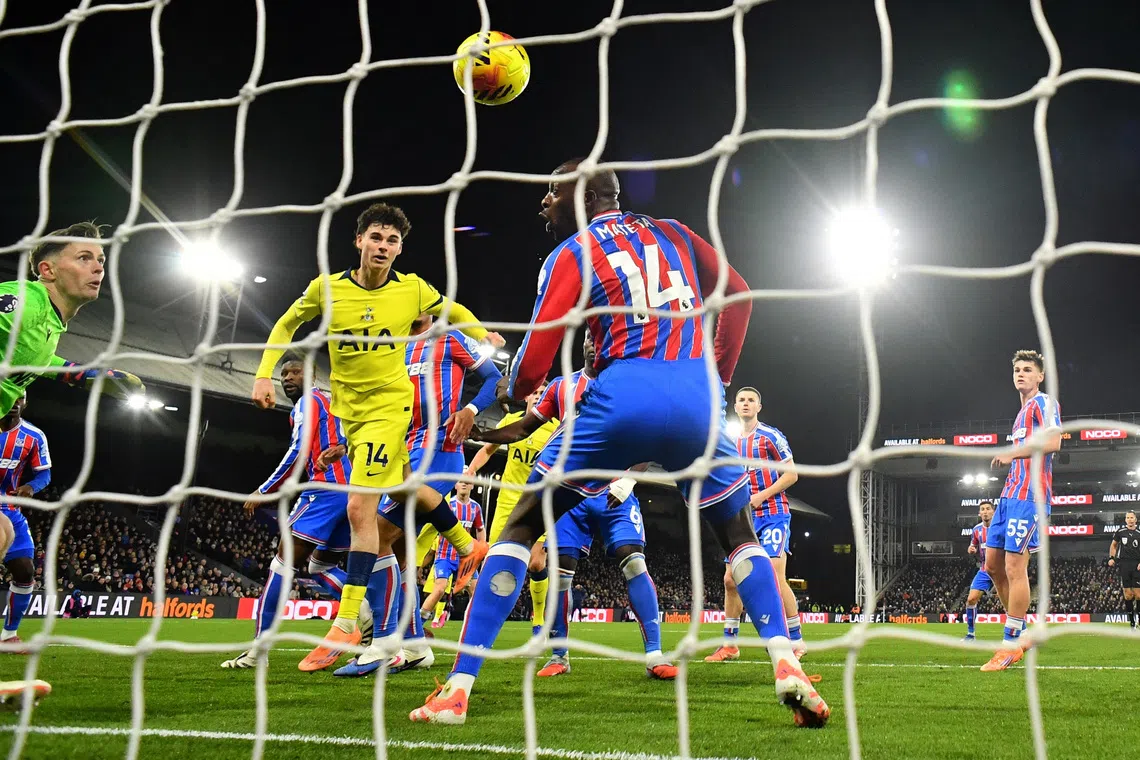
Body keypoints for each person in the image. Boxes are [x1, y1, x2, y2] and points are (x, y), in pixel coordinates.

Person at [410, 158, 827, 728]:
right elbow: (742, 294)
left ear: (582, 198)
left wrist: (507, 395)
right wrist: (720, 378)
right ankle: (786, 664)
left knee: (521, 528)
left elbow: (535, 360)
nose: (544, 203)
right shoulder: (675, 232)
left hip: (620, 396)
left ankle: (457, 691)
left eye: (552, 192)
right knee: (735, 534)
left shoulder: (571, 253)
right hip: (699, 397)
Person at [251, 203, 499, 668]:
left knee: (360, 508)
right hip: (352, 413)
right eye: (376, 238)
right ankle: (465, 546)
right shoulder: (326, 290)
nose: (383, 247)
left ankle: (347, 621)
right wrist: (264, 373)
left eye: (392, 241)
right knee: (404, 490)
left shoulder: (413, 291)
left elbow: (455, 307)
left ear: (400, 248)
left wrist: (482, 333)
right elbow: (287, 323)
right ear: (359, 241)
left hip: (391, 407)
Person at [471, 333, 676, 679]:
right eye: (590, 336)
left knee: (633, 560)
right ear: (582, 344)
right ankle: (558, 655)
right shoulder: (560, 387)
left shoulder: (629, 385)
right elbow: (522, 428)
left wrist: (629, 480)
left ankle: (655, 655)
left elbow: (648, 438)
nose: (596, 343)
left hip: (614, 491)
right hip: (569, 493)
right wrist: (479, 434)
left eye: (603, 336)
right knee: (560, 574)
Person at [332, 313, 502, 677]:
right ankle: (414, 646)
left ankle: (382, 643)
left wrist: (470, 410)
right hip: (402, 456)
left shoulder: (450, 337)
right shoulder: (393, 347)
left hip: (440, 452)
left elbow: (494, 379)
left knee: (376, 535)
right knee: (399, 553)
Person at [222, 356, 364, 669]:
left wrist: (264, 491)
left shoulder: (308, 402)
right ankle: (363, 613)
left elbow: (297, 451)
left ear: (310, 375)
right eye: (283, 373)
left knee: (281, 566)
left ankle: (258, 652)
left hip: (325, 491)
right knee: (318, 566)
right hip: (355, 493)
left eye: (295, 372)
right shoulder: (332, 401)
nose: (287, 378)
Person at [0, 222, 143, 415]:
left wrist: (80, 374)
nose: (98, 269)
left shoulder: (49, 320)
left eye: (100, 260)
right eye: (84, 258)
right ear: (48, 271)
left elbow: (30, 356)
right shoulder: (28, 302)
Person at [706, 387, 802, 662]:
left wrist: (760, 496)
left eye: (751, 400)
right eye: (741, 400)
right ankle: (730, 644)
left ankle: (795, 639)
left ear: (759, 406)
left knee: (773, 575)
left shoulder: (770, 436)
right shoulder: (728, 441)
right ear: (734, 407)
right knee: (730, 580)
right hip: (740, 518)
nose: (746, 404)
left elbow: (791, 474)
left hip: (772, 513)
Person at [982, 350, 1062, 671]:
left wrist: (1013, 452)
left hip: (1031, 496)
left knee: (1016, 567)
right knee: (991, 566)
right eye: (1017, 369)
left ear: (1040, 376)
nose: (1021, 374)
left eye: (1028, 369)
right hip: (1008, 496)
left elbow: (1054, 442)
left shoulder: (1045, 403)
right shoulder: (1020, 414)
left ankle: (1009, 644)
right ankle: (1022, 631)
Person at [466, 386, 559, 635]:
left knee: (537, 564)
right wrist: (471, 471)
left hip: (538, 501)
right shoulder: (511, 421)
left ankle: (538, 618)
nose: (539, 394)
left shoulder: (556, 428)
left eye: (544, 391)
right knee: (491, 560)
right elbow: (487, 449)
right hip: (507, 501)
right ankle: (483, 618)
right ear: (527, 396)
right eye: (535, 390)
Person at [0, 395, 51, 650]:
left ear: (26, 403)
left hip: (9, 508)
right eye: (10, 395)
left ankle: (9, 635)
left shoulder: (34, 436)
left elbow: (45, 473)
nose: (14, 401)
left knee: (25, 571)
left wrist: (32, 486)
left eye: (20, 398)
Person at [963, 501, 996, 641]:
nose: (985, 511)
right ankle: (971, 635)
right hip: (984, 570)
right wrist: (971, 549)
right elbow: (973, 546)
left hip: (1001, 570)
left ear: (993, 512)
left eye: (988, 509)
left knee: (1010, 603)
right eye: (982, 509)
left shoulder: (1001, 527)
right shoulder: (977, 530)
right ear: (979, 513)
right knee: (971, 599)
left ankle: (1023, 634)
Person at [1108, 510, 1140, 630]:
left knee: (1138, 594)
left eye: (1132, 517)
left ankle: (1139, 619)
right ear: (1125, 520)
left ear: (1135, 519)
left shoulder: (1139, 532)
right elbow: (1114, 545)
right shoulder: (1120, 532)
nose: (1130, 519)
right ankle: (1132, 623)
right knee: (1127, 595)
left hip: (1137, 565)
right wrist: (1112, 558)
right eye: (1128, 518)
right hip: (1124, 564)